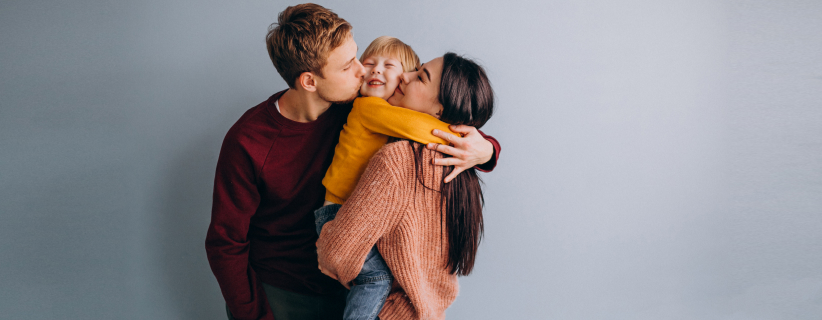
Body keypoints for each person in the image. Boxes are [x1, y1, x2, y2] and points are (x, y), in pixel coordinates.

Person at [205, 4, 501, 320]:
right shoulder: (248, 141)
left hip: (350, 291)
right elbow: (226, 244)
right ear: (309, 81)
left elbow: (438, 114)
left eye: (357, 56)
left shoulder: (357, 106)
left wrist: (486, 150)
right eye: (348, 66)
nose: (364, 70)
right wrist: (254, 315)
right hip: (281, 296)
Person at [317, 52, 495, 320]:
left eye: (421, 77)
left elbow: (336, 254)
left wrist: (327, 243)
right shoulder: (463, 168)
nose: (404, 75)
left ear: (439, 111)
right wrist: (487, 148)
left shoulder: (398, 160)